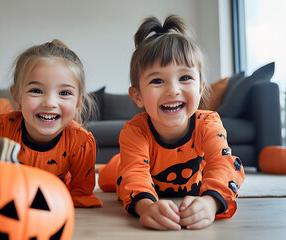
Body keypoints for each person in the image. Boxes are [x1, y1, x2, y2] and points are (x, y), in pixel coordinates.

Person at [98, 15, 244, 230]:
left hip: (183, 179)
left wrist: (211, 202)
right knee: (109, 178)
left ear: (201, 87)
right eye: (157, 81)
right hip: (128, 164)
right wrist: (146, 207)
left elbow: (223, 165)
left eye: (185, 78)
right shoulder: (135, 131)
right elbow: (133, 176)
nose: (173, 90)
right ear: (137, 96)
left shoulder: (209, 123)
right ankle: (109, 166)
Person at [0, 39, 103, 208]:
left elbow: (80, 193)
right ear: (16, 96)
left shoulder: (81, 142)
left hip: (50, 203)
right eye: (36, 91)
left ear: (78, 102)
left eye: (64, 93)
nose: (50, 102)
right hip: (5, 197)